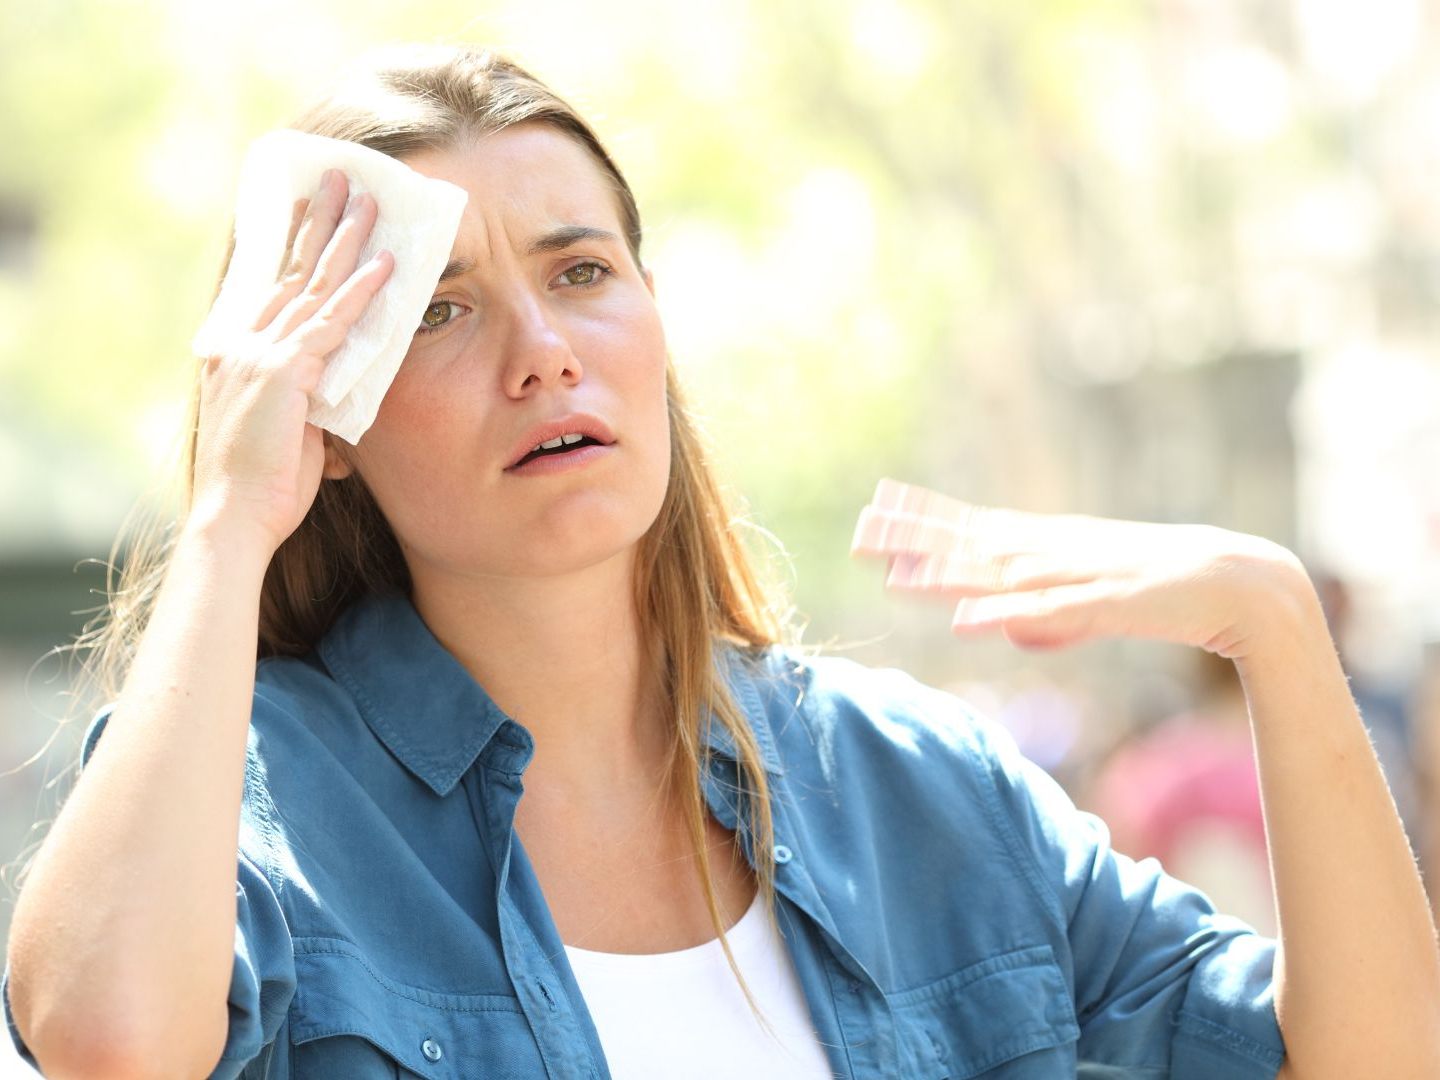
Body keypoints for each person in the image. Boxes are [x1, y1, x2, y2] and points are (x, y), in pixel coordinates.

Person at [3, 43, 1437, 1079]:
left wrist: (1275, 624)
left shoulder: (915, 788)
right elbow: (109, 1041)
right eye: (439, 313)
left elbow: (1366, 1058)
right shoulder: (266, 805)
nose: (545, 350)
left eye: (581, 273)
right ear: (334, 410)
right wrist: (228, 520)